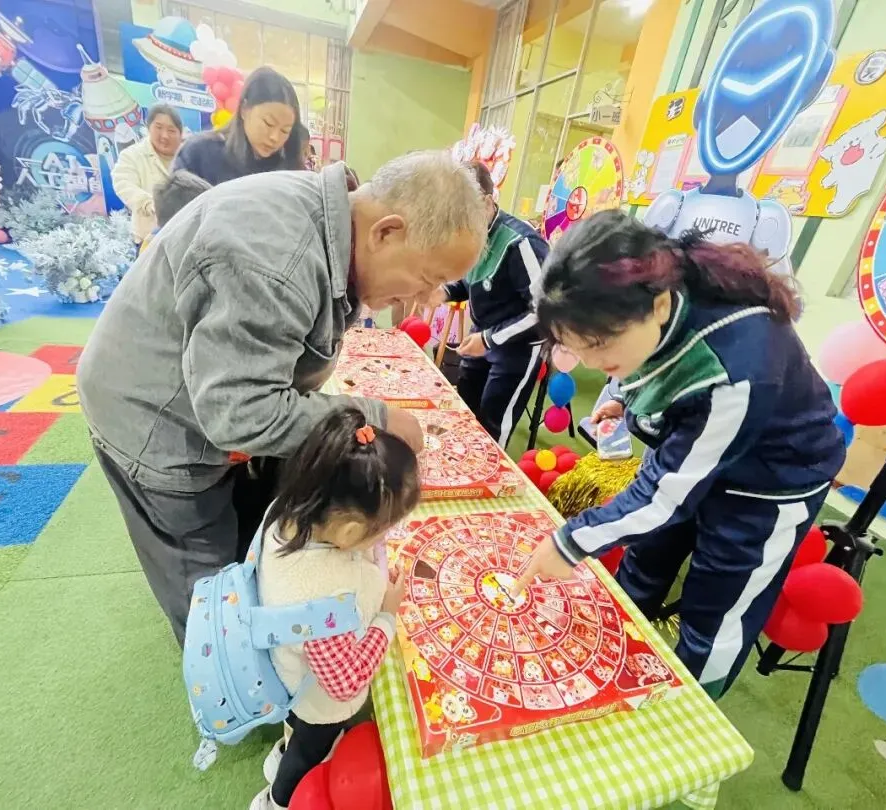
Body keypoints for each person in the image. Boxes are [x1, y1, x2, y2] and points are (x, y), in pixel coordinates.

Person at [77, 152, 487, 645]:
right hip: (155, 421)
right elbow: (240, 412)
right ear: (387, 232)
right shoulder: (276, 258)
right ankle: (225, 675)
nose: (425, 299)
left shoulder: (332, 227)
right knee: (208, 591)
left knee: (250, 545)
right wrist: (374, 415)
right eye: (427, 279)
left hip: (202, 404)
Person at [513, 211, 846, 698]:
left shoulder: (733, 370)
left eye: (600, 346)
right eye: (576, 347)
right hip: (695, 451)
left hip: (769, 483)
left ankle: (689, 710)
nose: (592, 363)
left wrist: (570, 541)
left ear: (660, 304)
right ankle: (614, 661)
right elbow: (657, 371)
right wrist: (628, 399)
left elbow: (666, 496)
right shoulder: (655, 298)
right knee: (643, 563)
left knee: (717, 609)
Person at [251, 408, 419, 810]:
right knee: (309, 747)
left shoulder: (288, 512)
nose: (385, 536)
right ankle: (277, 798)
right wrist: (386, 616)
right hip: (316, 699)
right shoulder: (325, 600)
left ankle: (282, 752)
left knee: (295, 724)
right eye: (384, 528)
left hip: (286, 667)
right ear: (348, 531)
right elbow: (346, 682)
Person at [427, 161, 549, 447]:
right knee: (465, 416)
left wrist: (490, 340)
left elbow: (545, 312)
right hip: (481, 338)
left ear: (486, 202)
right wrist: (443, 292)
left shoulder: (522, 243)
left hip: (516, 349)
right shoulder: (475, 235)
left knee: (493, 429)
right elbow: (471, 281)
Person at [172, 66, 304, 185]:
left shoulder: (286, 172)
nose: (275, 137)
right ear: (244, 109)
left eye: (285, 130)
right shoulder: (200, 153)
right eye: (268, 124)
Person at [112, 104, 183, 245]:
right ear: (148, 127)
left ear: (180, 133)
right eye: (158, 128)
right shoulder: (132, 155)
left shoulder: (189, 155)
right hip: (149, 239)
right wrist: (148, 203)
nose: (164, 135)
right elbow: (123, 184)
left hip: (184, 239)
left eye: (171, 130)